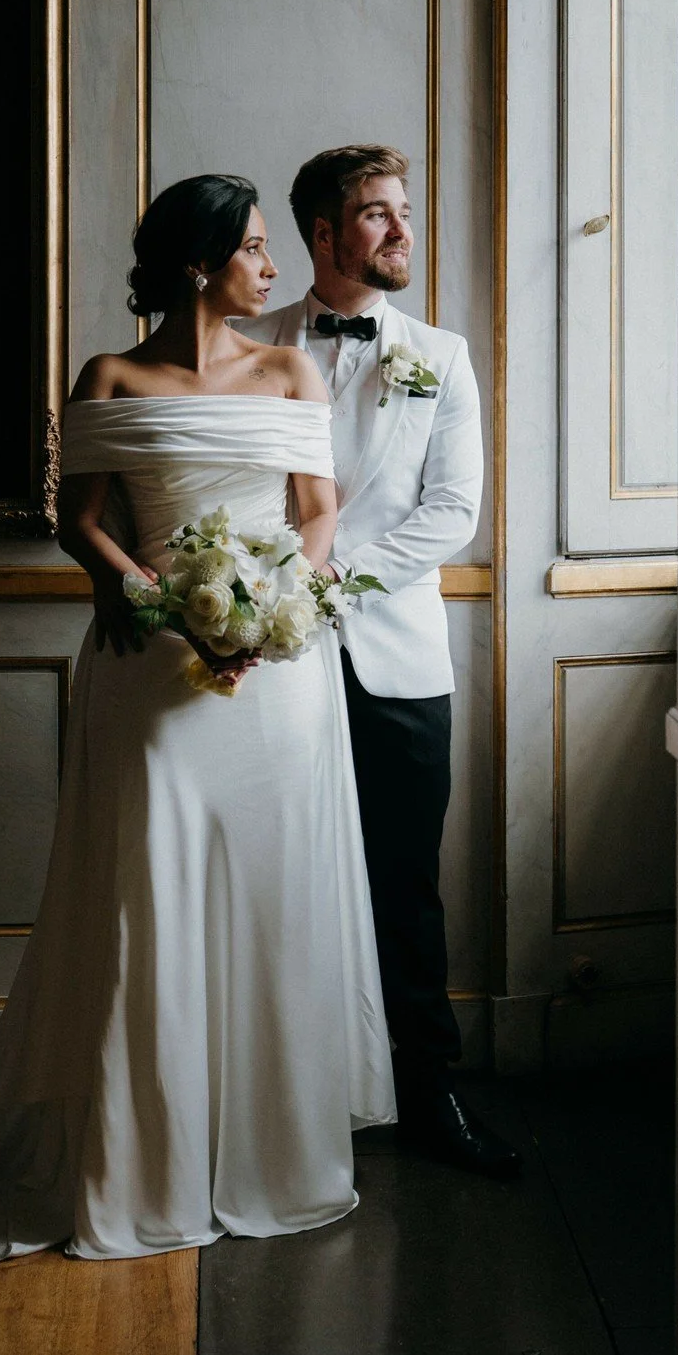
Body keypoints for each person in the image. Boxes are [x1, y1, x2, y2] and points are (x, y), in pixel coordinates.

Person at [0, 175, 395, 1258]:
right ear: (200, 263)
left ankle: (266, 1152)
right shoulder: (112, 374)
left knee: (274, 895)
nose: (273, 269)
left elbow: (319, 512)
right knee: (149, 892)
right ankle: (145, 1157)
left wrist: (276, 602)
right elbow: (78, 522)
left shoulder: (291, 371)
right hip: (151, 669)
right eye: (253, 248)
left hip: (276, 679)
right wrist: (158, 597)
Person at [244, 144, 520, 1178]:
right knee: (276, 879)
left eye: (404, 211)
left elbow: (451, 513)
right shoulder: (245, 345)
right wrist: (274, 600)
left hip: (397, 667)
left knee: (406, 887)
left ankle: (427, 1095)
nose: (403, 230)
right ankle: (283, 1095)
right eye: (376, 215)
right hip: (264, 661)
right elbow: (231, 496)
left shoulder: (440, 357)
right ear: (322, 235)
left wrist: (328, 581)